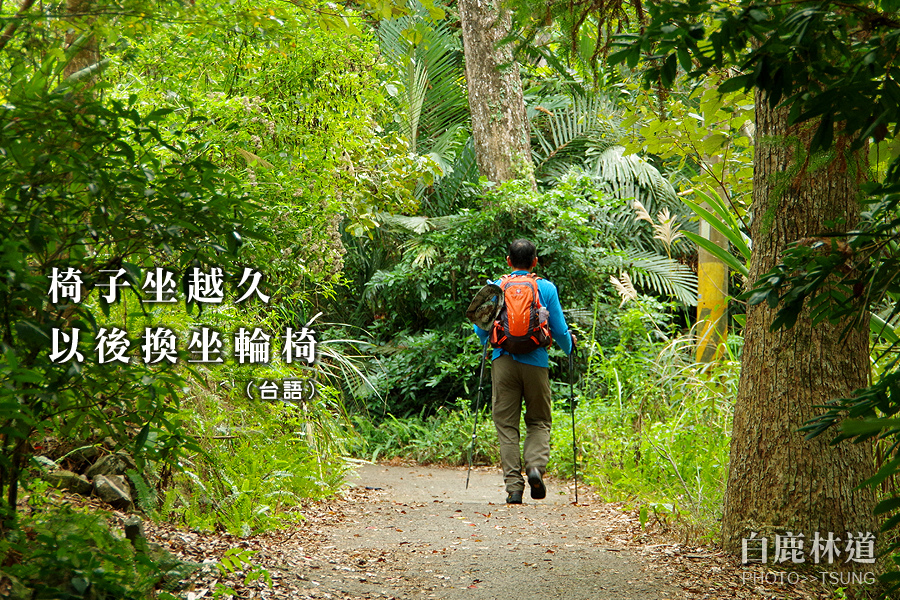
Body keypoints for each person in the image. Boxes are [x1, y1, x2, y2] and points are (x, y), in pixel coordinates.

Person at [473, 239, 575, 504]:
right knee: (539, 420)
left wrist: (492, 343)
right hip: (536, 362)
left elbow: (480, 329)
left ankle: (514, 488)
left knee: (506, 425)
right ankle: (534, 468)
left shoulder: (497, 286)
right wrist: (569, 348)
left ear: (509, 261)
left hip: (503, 361)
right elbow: (560, 330)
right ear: (535, 262)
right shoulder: (546, 288)